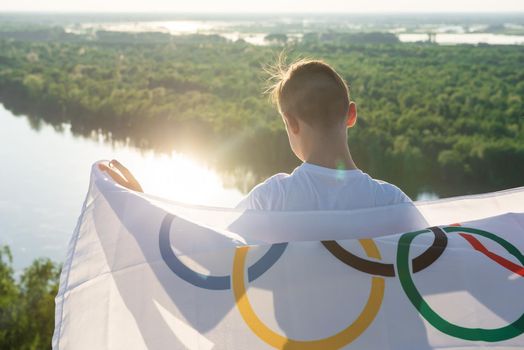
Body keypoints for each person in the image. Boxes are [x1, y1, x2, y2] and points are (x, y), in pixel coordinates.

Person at [100, 58, 411, 210]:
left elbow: (202, 257)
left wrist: (139, 208)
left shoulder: (272, 200)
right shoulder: (393, 203)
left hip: (296, 340)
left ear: (291, 123)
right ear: (351, 115)